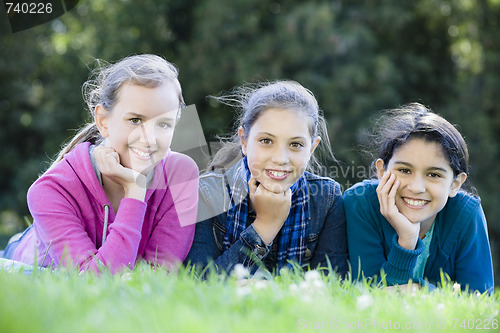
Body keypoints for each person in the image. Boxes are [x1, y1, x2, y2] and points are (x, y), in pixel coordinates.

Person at [1, 54, 199, 274]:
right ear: (103, 121)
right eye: (135, 120)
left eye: (163, 124)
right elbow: (95, 282)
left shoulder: (181, 174)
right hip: (25, 265)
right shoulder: (49, 190)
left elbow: (159, 277)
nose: (150, 139)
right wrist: (134, 192)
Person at [185, 80, 348, 277]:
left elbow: (331, 284)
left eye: (295, 144)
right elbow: (198, 282)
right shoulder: (206, 193)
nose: (280, 158)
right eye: (266, 141)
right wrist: (265, 226)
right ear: (244, 141)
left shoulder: (326, 199)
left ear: (312, 149)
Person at [344, 103, 494, 293]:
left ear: (455, 184)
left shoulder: (466, 214)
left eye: (434, 175)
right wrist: (406, 240)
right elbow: (369, 295)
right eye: (404, 170)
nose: (416, 188)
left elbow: (479, 301)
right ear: (382, 171)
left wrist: (420, 291)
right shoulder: (360, 203)